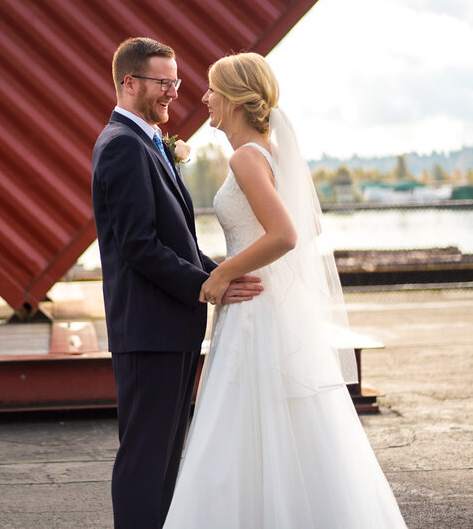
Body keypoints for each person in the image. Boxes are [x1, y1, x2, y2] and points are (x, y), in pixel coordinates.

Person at [163, 53, 408, 528]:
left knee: (239, 431)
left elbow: (287, 234)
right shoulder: (271, 153)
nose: (204, 98)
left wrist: (221, 274)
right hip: (264, 304)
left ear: (233, 99)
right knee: (282, 429)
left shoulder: (246, 157)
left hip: (254, 311)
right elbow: (308, 226)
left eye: (212, 89)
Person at [91, 37, 263, 529]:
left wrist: (221, 273)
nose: (173, 92)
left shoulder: (147, 142)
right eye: (163, 82)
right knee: (146, 457)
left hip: (169, 327)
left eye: (176, 81)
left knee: (166, 457)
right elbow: (140, 247)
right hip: (150, 329)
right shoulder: (123, 146)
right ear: (129, 83)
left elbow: (178, 241)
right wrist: (207, 286)